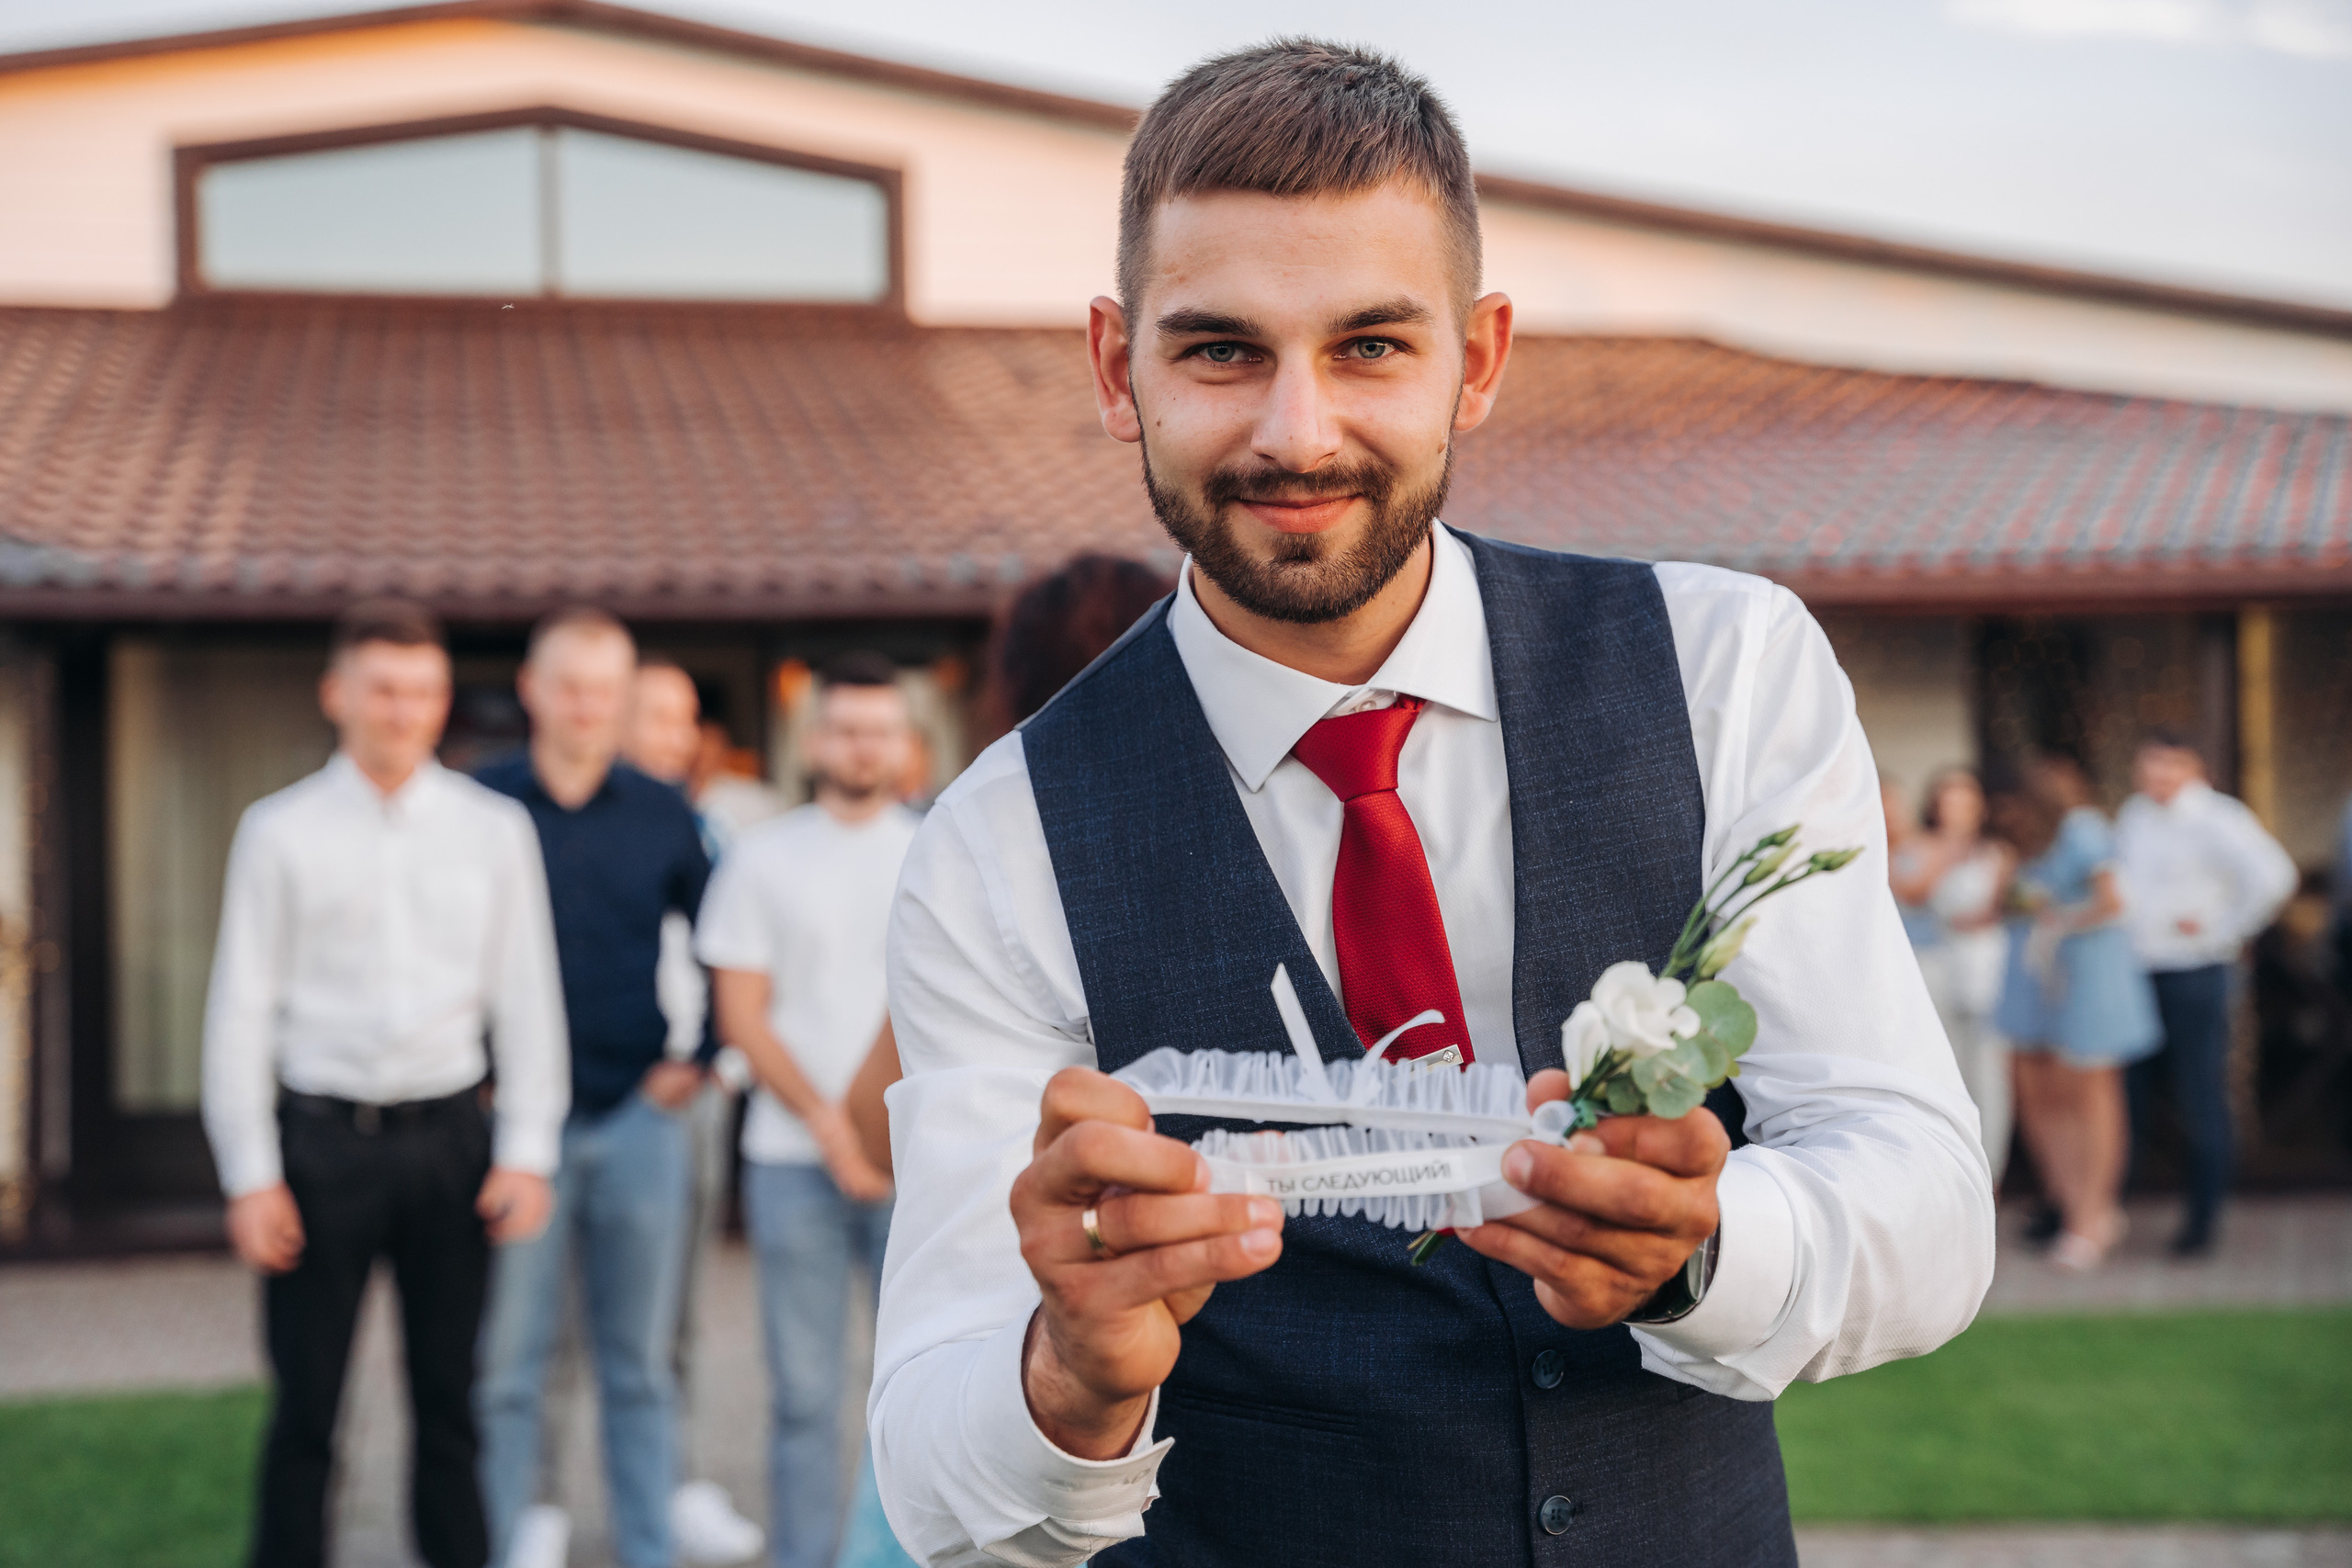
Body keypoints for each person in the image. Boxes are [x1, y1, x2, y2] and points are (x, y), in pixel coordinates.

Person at [871, 42, 1991, 1567]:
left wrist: (1710, 1246)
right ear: (1113, 366)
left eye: (1370, 346)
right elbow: (937, 1476)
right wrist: (1064, 1379)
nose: (1296, 430)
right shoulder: (1003, 839)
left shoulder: (1722, 668)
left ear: (1476, 358)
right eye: (1218, 352)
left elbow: (1924, 1195)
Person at [201, 598, 568, 1568]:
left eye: (422, 692)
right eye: (384, 690)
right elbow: (239, 1008)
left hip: (452, 1143)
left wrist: (527, 1152)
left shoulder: (494, 831)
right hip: (320, 1147)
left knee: (451, 1404)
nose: (403, 711)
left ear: (443, 701)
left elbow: (527, 1002)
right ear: (338, 694)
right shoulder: (276, 832)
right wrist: (249, 1175)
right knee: (307, 1407)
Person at [474, 608, 714, 1568]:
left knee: (640, 1367)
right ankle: (508, 1542)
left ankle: (646, 1548)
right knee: (509, 1366)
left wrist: (697, 1061)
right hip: (514, 1132)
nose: (587, 708)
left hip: (637, 1122)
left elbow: (726, 941)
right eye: (570, 686)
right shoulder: (482, 808)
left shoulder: (665, 812)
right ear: (532, 690)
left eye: (606, 691)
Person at [695, 652, 920, 1568]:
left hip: (912, 1163)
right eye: (844, 727)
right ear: (813, 737)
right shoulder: (761, 855)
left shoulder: (938, 849)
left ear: (904, 744)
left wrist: (874, 1140)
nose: (860, 746)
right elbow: (740, 1014)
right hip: (791, 1162)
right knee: (801, 1394)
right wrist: (833, 1128)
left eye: (879, 729)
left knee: (912, 1381)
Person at [2115, 732, 2296, 1257]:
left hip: (2196, 971)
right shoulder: (2133, 815)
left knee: (2200, 1095)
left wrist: (2222, 929)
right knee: (2131, 1096)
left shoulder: (2221, 818)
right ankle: (2110, 1211)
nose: (2158, 778)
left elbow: (2274, 877)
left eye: (2169, 767)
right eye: (2150, 767)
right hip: (2139, 971)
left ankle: (2202, 1221)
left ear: (2194, 768)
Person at [1995, 750, 2160, 1271]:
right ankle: (2070, 1207)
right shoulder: (2023, 843)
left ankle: (2094, 1215)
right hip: (2035, 977)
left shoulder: (2084, 830)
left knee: (2089, 1096)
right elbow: (2012, 903)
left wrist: (2059, 919)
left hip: (2085, 978)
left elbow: (2113, 900)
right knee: (2043, 1095)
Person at [1893, 769, 2015, 1179]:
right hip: (1932, 971)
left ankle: (1990, 1168)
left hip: (1984, 973)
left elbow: (2005, 906)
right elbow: (1909, 893)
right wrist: (1945, 856)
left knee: (1989, 1073)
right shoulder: (1917, 848)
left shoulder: (1997, 852)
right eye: (1950, 800)